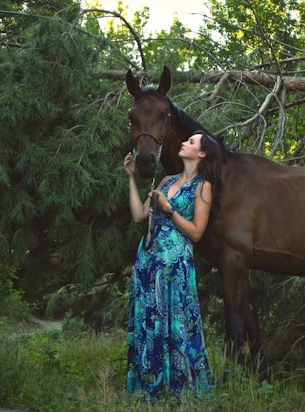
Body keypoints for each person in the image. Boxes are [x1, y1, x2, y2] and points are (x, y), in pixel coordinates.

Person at [123, 130, 223, 401]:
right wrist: (131, 176)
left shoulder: (204, 187)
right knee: (148, 322)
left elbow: (196, 232)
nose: (183, 143)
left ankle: (178, 387)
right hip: (147, 262)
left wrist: (168, 209)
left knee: (177, 323)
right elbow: (138, 216)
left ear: (202, 153)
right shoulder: (167, 180)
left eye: (191, 142)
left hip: (175, 269)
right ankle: (147, 386)